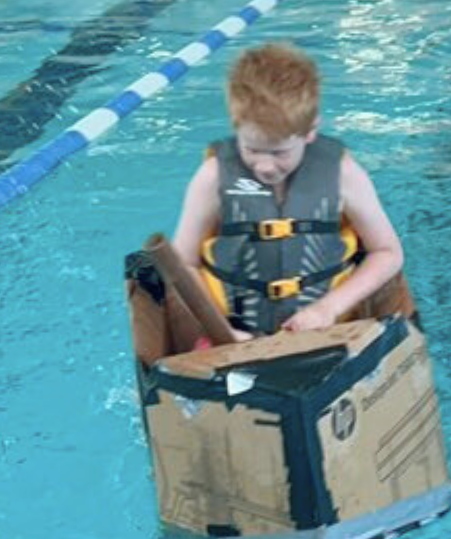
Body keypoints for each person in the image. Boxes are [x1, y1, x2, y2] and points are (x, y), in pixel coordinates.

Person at [172, 43, 404, 336]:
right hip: (232, 334)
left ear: (310, 131)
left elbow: (387, 252)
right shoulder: (212, 177)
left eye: (280, 152)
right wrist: (221, 331)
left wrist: (327, 309)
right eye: (252, 149)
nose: (265, 166)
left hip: (326, 330)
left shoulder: (343, 174)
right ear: (236, 127)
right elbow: (183, 265)